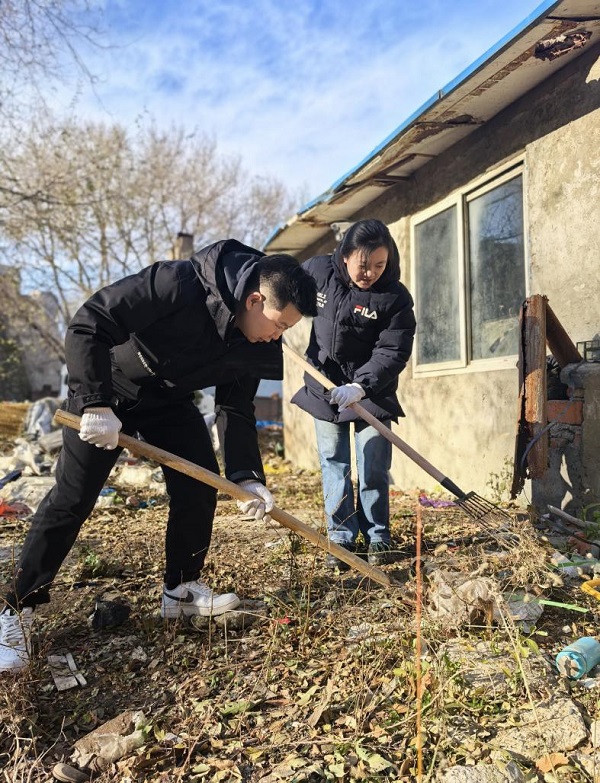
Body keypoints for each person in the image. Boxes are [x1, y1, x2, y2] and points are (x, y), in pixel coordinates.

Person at [0, 239, 317, 672]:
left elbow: (236, 407)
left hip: (168, 400)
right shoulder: (178, 283)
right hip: (107, 386)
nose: (277, 336)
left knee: (200, 486)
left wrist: (246, 477)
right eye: (279, 324)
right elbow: (90, 321)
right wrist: (94, 402)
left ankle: (180, 593)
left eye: (287, 330)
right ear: (255, 299)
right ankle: (17, 610)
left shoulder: (258, 338)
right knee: (73, 498)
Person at [291, 219, 416, 570]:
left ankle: (378, 536)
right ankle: (342, 537)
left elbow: (393, 350)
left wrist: (361, 385)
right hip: (323, 383)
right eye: (364, 265)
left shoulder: (393, 297)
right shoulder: (317, 272)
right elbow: (285, 290)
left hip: (371, 389)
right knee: (334, 461)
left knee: (373, 460)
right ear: (345, 255)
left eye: (379, 265)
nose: (371, 273)